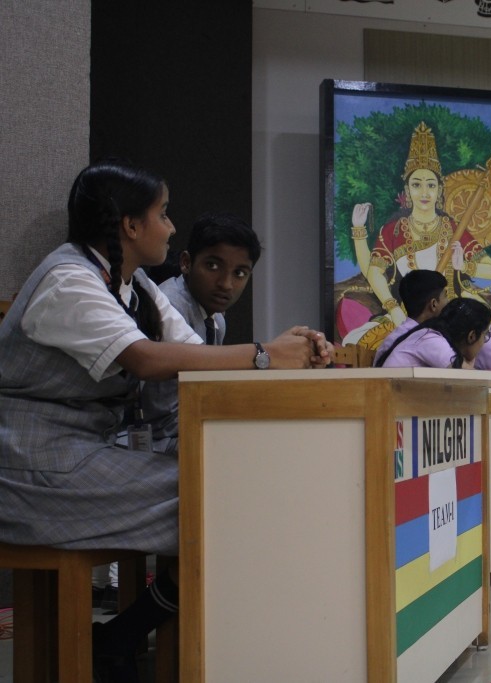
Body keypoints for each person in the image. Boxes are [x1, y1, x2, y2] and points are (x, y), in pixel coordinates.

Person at [0, 159, 330, 683]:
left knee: (242, 491)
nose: (172, 226)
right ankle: (130, 640)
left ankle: (127, 638)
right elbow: (146, 360)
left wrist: (291, 351)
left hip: (80, 454)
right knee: (230, 499)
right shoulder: (68, 278)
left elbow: (198, 357)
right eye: (164, 213)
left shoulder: (134, 286)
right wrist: (266, 354)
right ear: (131, 225)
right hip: (32, 466)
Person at [134, 211, 262, 454]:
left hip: (184, 428)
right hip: (155, 440)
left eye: (239, 273)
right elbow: (160, 415)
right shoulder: (170, 309)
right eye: (213, 266)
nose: (226, 284)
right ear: (186, 262)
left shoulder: (217, 318)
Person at [350, 121, 491, 328]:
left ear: (439, 190)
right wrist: (393, 308)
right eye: (416, 185)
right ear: (407, 189)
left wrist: (464, 266)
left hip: (452, 311)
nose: (424, 192)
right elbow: (374, 273)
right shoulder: (393, 230)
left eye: (431, 185)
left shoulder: (452, 228)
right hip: (409, 315)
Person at [376, 297, 491, 370]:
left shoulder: (432, 336)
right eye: (485, 335)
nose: (484, 341)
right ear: (472, 336)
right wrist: (471, 359)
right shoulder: (432, 340)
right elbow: (468, 378)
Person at [373, 268, 448, 365]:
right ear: (433, 304)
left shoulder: (391, 339)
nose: (448, 302)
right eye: (445, 296)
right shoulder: (425, 338)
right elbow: (460, 370)